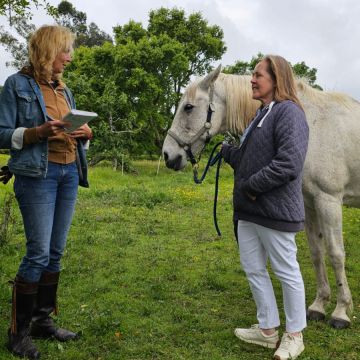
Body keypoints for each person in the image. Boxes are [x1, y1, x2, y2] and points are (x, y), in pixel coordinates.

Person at [0, 25, 92, 359]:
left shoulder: (64, 90)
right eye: (64, 51)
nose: (68, 58)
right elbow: (1, 133)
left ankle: (41, 321)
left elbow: (72, 126)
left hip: (68, 173)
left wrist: (85, 132)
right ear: (48, 51)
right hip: (37, 175)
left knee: (55, 251)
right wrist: (37, 132)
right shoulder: (16, 85)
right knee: (37, 253)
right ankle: (18, 334)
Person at [221, 55, 309, 360]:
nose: (252, 80)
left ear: (277, 79)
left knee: (287, 272)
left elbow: (289, 163)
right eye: (253, 74)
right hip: (250, 212)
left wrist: (250, 186)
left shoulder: (289, 113)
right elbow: (250, 160)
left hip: (275, 212)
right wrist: (229, 153)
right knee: (254, 269)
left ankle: (294, 336)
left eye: (258, 75)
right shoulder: (261, 114)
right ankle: (267, 329)